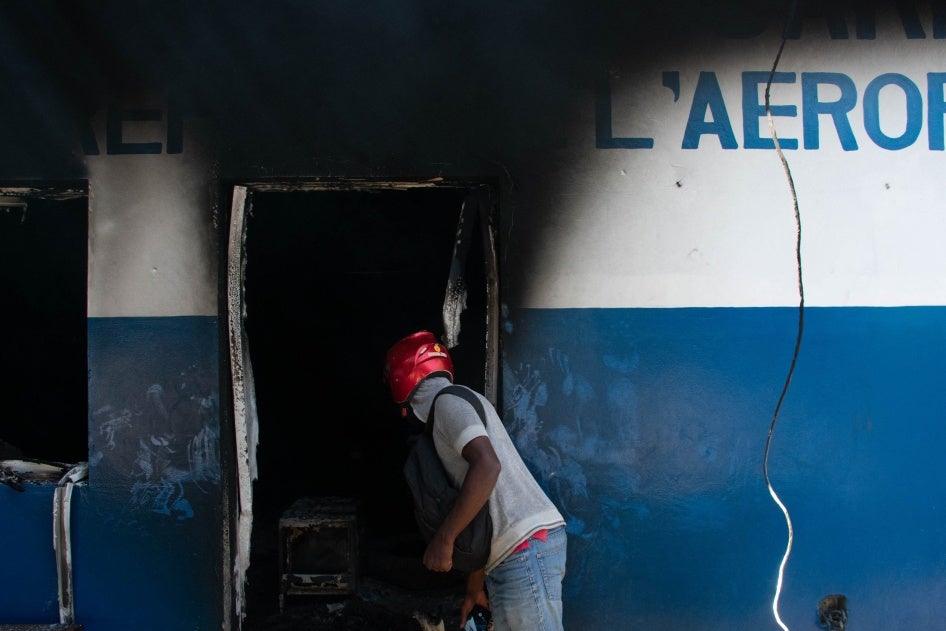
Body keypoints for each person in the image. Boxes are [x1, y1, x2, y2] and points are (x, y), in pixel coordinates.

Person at [384, 330, 567, 631]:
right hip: (517, 551)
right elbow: (481, 509)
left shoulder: (447, 404)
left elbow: (487, 467)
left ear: (402, 383)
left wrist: (444, 539)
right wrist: (474, 588)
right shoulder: (454, 407)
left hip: (524, 549)